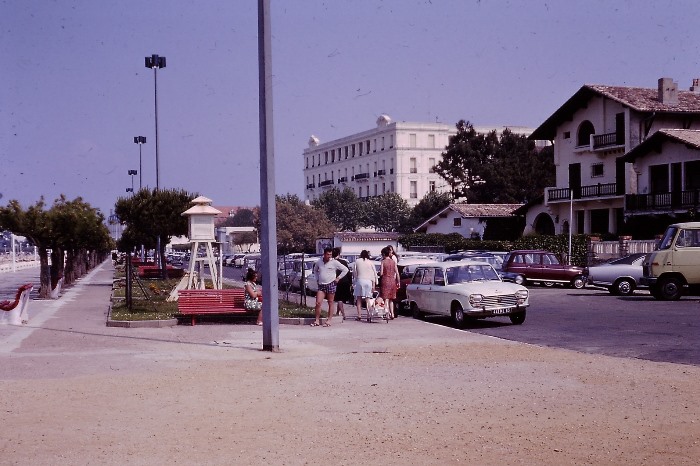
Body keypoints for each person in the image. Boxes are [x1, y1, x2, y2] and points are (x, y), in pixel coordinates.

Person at [311, 247, 349, 327]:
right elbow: (315, 270)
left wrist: (338, 278)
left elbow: (345, 269)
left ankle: (329, 320)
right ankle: (317, 320)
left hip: (331, 283)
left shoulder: (334, 262)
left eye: (330, 254)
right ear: (324, 254)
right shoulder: (319, 262)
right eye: (328, 254)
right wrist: (317, 278)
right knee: (318, 303)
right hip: (321, 284)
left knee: (330, 302)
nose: (329, 256)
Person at [353, 249, 377, 322]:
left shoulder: (357, 261)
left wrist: (356, 280)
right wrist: (374, 284)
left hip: (360, 280)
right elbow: (374, 274)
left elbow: (354, 272)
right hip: (368, 281)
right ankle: (368, 315)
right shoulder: (370, 262)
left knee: (359, 299)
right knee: (368, 299)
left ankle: (359, 315)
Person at [379, 246, 400, 319]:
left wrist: (379, 274)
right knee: (391, 299)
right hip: (393, 280)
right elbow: (397, 273)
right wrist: (398, 282)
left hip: (385, 280)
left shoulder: (383, 262)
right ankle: (392, 314)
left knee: (386, 299)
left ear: (384, 254)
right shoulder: (393, 262)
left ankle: (387, 314)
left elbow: (381, 273)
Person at [331, 247, 352, 320]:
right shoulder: (344, 262)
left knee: (339, 299)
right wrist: (350, 282)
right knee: (341, 299)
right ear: (339, 254)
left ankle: (343, 314)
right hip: (345, 282)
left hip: (337, 282)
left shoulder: (331, 263)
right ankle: (337, 312)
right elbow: (348, 273)